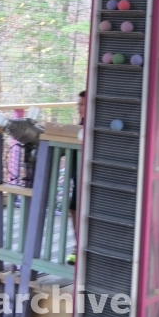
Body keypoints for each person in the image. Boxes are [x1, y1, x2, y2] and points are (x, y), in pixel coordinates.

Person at [67, 90, 86, 264]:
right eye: (78, 104)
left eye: (83, 104)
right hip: (77, 175)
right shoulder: (80, 124)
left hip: (88, 176)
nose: (79, 108)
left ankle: (83, 247)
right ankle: (78, 245)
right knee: (74, 209)